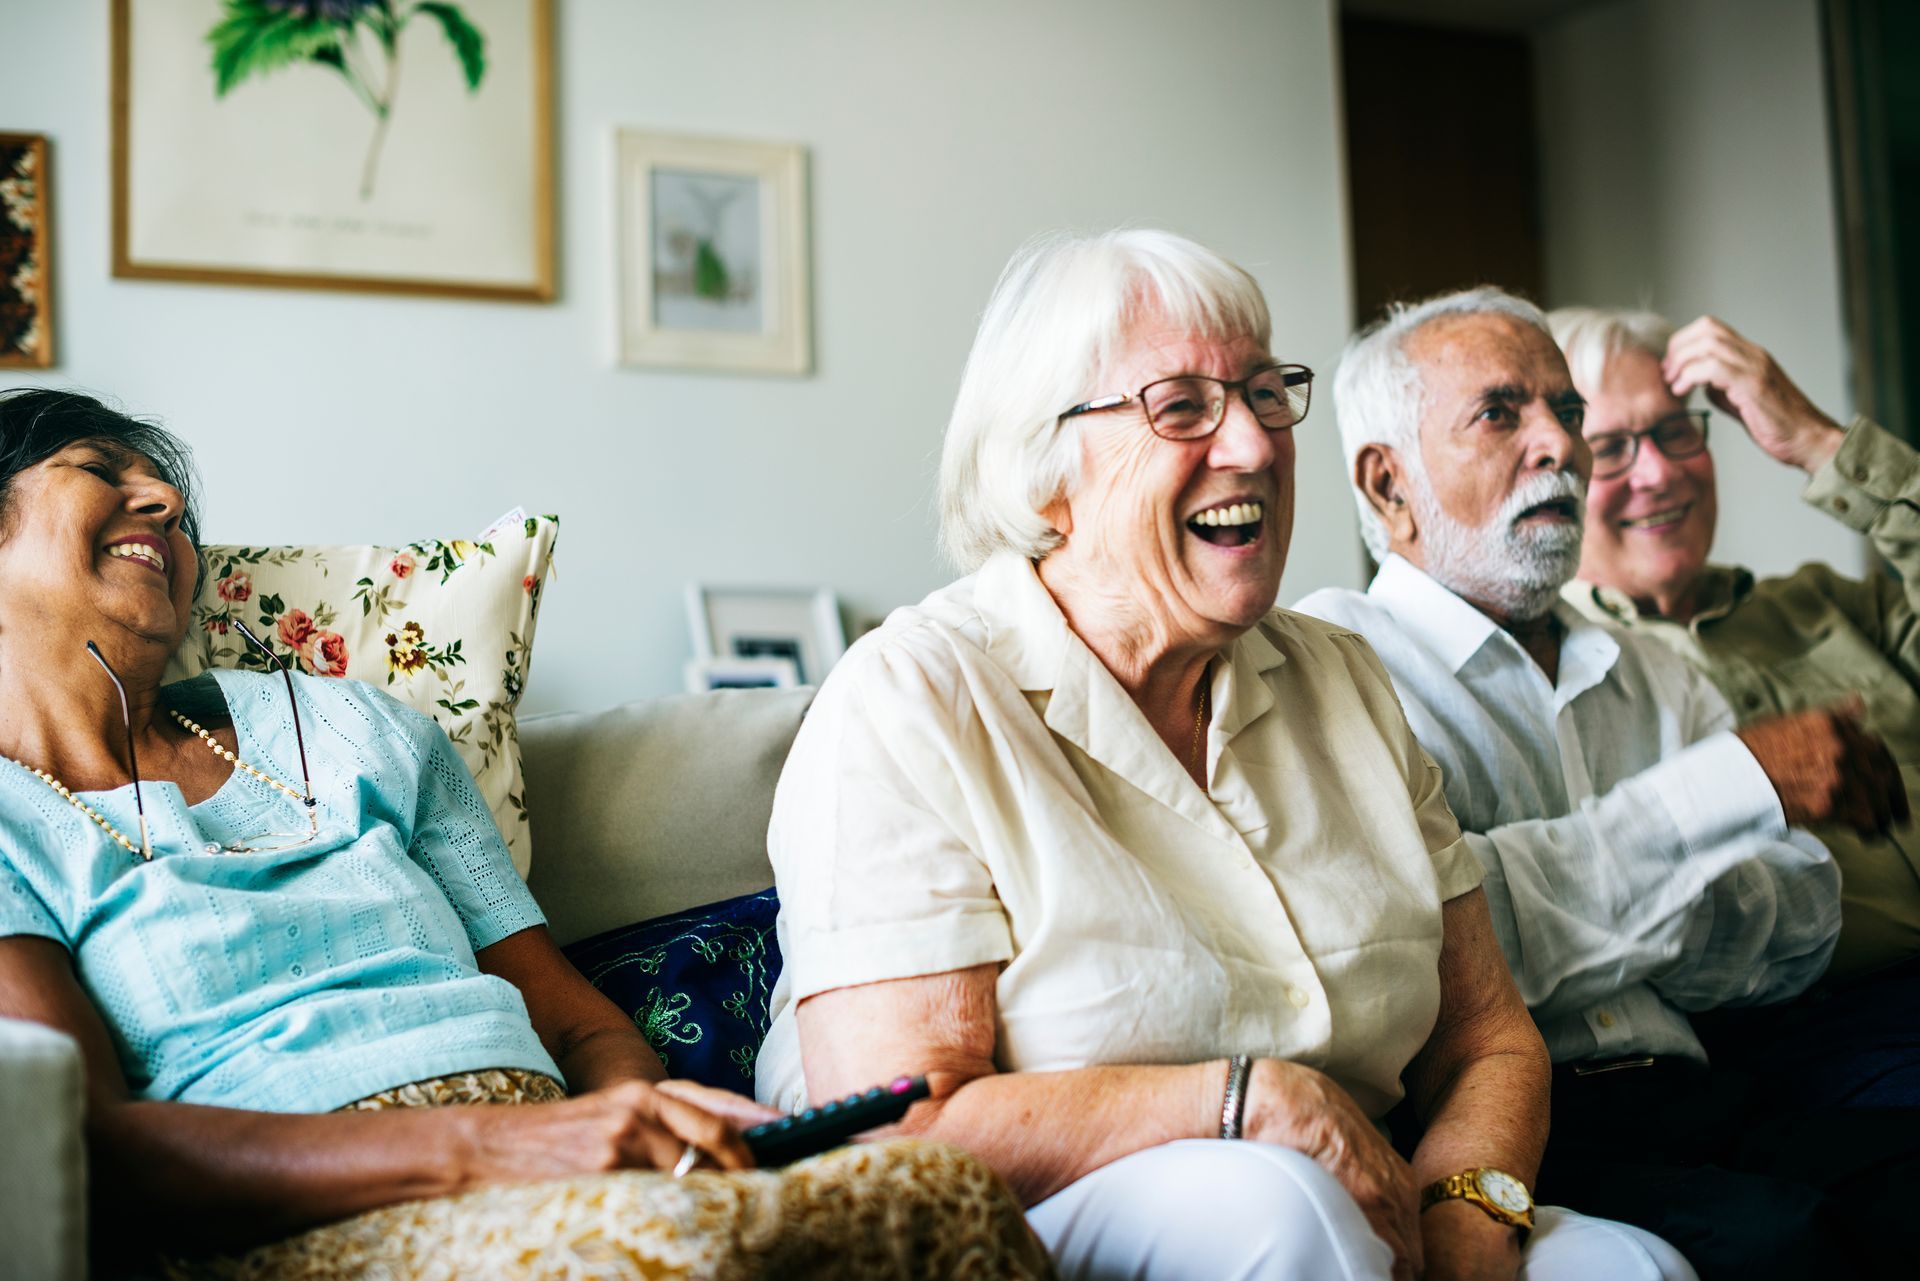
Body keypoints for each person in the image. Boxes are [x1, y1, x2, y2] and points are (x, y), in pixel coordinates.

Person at [754, 230, 1692, 1281]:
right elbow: (895, 1129)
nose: (1252, 444)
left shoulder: (1342, 678)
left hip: (1367, 1194)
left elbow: (1488, 1039)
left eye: (1263, 393)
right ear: (1045, 468)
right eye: (1184, 407)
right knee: (1278, 1208)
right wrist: (1247, 1101)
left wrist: (1470, 1209)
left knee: (1634, 1268)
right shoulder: (911, 699)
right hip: (1052, 1220)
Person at [0, 389, 1050, 1281]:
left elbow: (574, 1020)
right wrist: (502, 1147)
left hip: (559, 1154)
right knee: (660, 1257)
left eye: (176, 503)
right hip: (302, 1216)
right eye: (103, 470)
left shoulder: (354, 726)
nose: (169, 505)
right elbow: (90, 1144)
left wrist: (639, 1121)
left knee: (941, 1190)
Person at [1294, 287, 1914, 1280]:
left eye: (1566, 412)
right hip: (1515, 1131)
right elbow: (1438, 951)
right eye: (1503, 413)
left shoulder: (1653, 669)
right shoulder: (1333, 664)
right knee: (1783, 1248)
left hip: (1707, 1089)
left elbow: (1797, 924)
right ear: (1387, 484)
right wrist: (1722, 799)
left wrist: (1573, 893)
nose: (1561, 446)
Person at [1552, 308, 1920, 1020]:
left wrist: (1819, 442)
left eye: (1674, 430)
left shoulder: (1828, 605)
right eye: (1610, 447)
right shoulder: (1561, 677)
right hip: (1823, 1036)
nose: (1657, 473)